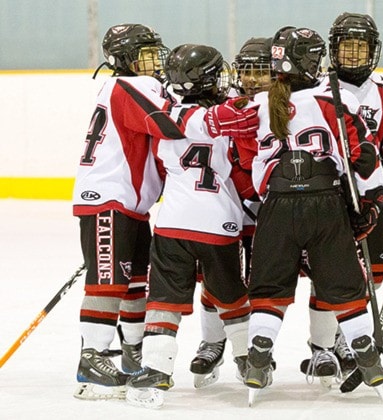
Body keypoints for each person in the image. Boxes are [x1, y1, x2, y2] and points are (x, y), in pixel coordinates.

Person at [72, 24, 258, 401]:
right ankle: (92, 356)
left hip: (133, 205)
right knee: (108, 283)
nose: (153, 61)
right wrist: (214, 115)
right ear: (122, 60)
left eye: (155, 53)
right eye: (144, 54)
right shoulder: (129, 85)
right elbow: (165, 124)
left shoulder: (134, 87)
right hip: (111, 198)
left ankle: (133, 354)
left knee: (135, 282)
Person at [243, 26, 383, 404]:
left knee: (270, 289)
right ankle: (366, 356)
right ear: (305, 59)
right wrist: (369, 203)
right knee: (343, 286)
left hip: (276, 204)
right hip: (326, 203)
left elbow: (245, 160)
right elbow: (365, 156)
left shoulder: (257, 104)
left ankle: (259, 355)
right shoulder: (333, 98)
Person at [123, 43, 255, 408]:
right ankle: (250, 362)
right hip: (220, 222)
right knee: (230, 295)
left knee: (163, 300)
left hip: (173, 223)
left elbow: (160, 167)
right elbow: (244, 157)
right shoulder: (224, 116)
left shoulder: (166, 116)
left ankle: (154, 368)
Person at [299, 12, 383, 384]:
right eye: (347, 46)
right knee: (328, 275)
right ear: (334, 50)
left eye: (361, 47)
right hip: (329, 197)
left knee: (371, 274)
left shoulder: (382, 90)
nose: (355, 54)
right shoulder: (316, 87)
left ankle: (348, 340)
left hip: (368, 195)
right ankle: (322, 348)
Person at [187, 36, 273, 389]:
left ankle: (265, 348)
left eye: (261, 71)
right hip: (227, 207)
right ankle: (213, 340)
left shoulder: (288, 107)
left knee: (266, 284)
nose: (252, 79)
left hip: (273, 210)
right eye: (246, 71)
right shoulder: (222, 106)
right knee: (217, 277)